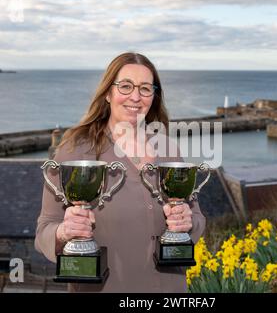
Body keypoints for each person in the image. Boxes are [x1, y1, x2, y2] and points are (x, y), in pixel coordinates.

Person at [35, 52, 206, 292]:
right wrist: (64, 232)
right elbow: (45, 229)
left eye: (145, 88)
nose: (135, 97)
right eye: (125, 86)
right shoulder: (75, 150)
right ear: (108, 92)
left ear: (153, 96)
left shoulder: (168, 149)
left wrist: (188, 222)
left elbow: (197, 218)